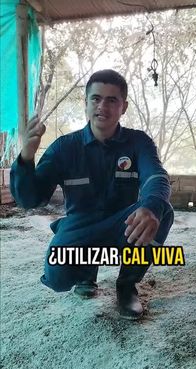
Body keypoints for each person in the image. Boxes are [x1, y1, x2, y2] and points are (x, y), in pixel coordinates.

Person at [10, 69, 174, 320]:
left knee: (161, 212)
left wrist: (152, 205)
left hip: (123, 225)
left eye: (112, 100)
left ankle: (126, 286)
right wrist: (26, 158)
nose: (102, 107)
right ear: (86, 104)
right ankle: (86, 271)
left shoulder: (138, 142)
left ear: (124, 107)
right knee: (57, 279)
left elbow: (156, 176)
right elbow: (31, 199)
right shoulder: (65, 147)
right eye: (96, 99)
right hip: (81, 226)